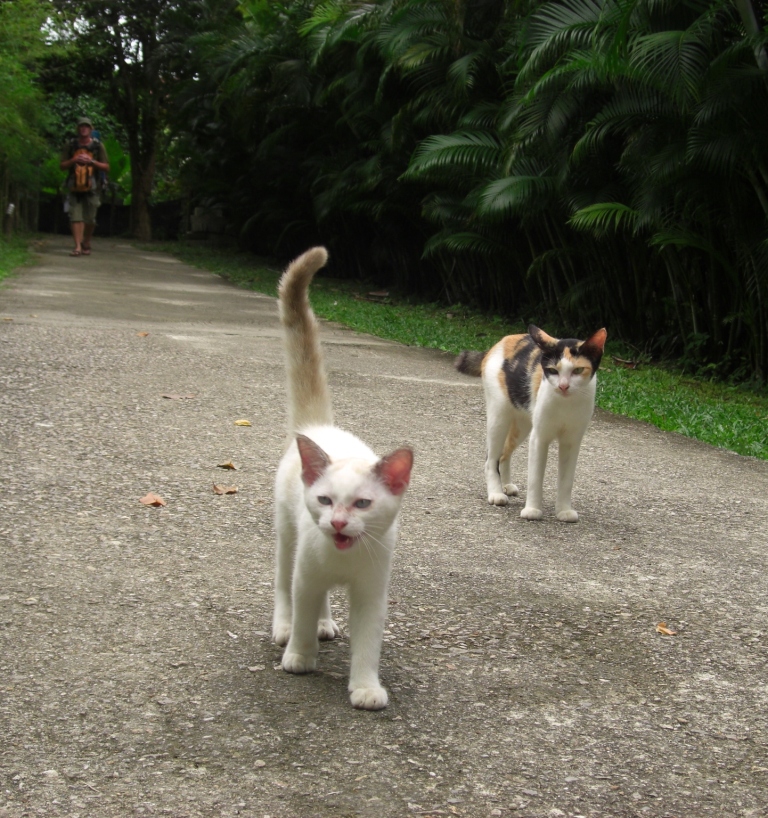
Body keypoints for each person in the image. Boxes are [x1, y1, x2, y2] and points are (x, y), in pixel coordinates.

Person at [60, 117, 110, 256]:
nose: (84, 128)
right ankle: (77, 246)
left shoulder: (98, 146)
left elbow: (106, 167)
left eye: (86, 126)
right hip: (74, 185)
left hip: (92, 186)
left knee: (90, 219)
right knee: (75, 217)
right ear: (78, 129)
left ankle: (86, 241)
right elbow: (62, 166)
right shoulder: (70, 145)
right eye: (81, 126)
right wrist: (74, 160)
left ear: (90, 129)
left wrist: (92, 161)